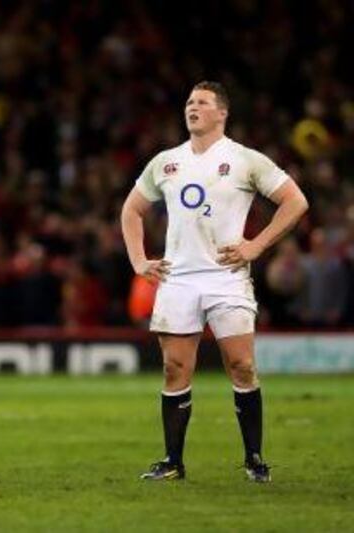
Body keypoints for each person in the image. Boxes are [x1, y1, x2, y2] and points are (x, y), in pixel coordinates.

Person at [120, 81, 309, 482]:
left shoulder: (244, 160)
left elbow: (296, 201)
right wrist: (138, 260)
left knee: (241, 365)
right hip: (178, 278)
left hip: (226, 277)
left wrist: (256, 246)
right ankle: (173, 463)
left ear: (222, 113)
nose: (193, 107)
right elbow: (131, 210)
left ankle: (254, 459)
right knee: (174, 368)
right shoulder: (166, 162)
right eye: (189, 101)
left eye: (202, 102)